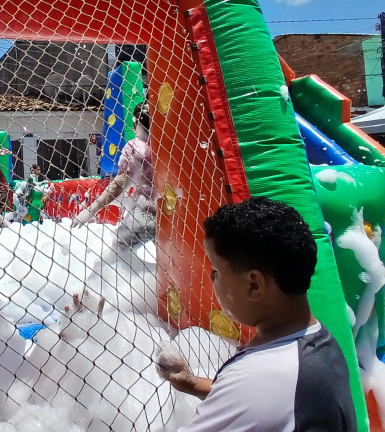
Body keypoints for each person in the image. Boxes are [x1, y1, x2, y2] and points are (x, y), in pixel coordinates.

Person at [156, 197, 357, 432]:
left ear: (254, 285)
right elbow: (271, 401)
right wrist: (193, 384)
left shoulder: (259, 378)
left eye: (216, 270)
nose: (212, 278)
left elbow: (256, 393)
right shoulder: (318, 341)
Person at [72, 102, 158, 250]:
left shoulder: (135, 147)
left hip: (145, 212)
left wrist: (92, 209)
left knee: (120, 249)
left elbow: (120, 183)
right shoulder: (166, 145)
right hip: (170, 210)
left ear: (135, 122)